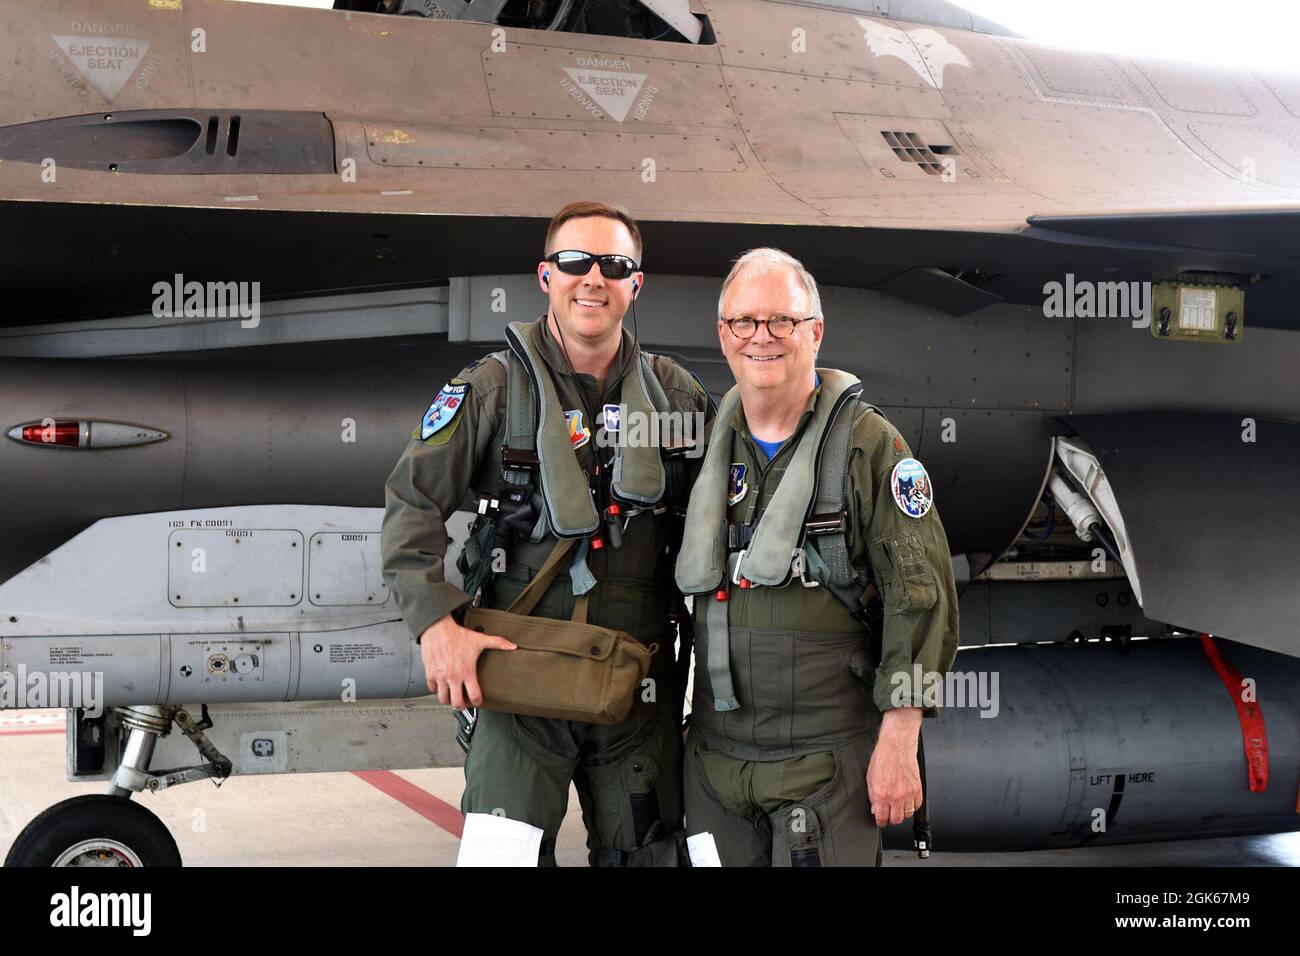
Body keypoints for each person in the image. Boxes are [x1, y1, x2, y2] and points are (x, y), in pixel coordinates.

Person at [381, 200, 712, 866]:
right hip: (516, 679)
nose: (593, 278)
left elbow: (725, 519)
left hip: (638, 684)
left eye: (613, 265)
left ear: (634, 284)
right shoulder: (493, 390)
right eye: (575, 262)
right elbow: (410, 503)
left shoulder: (676, 397)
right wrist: (435, 626)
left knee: (649, 856)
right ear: (546, 276)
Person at [676, 248, 959, 866]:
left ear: (816, 331)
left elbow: (922, 600)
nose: (763, 338)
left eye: (783, 321)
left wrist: (899, 740)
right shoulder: (701, 450)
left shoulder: (868, 447)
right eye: (745, 322)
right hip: (714, 767)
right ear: (723, 335)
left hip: (826, 768)